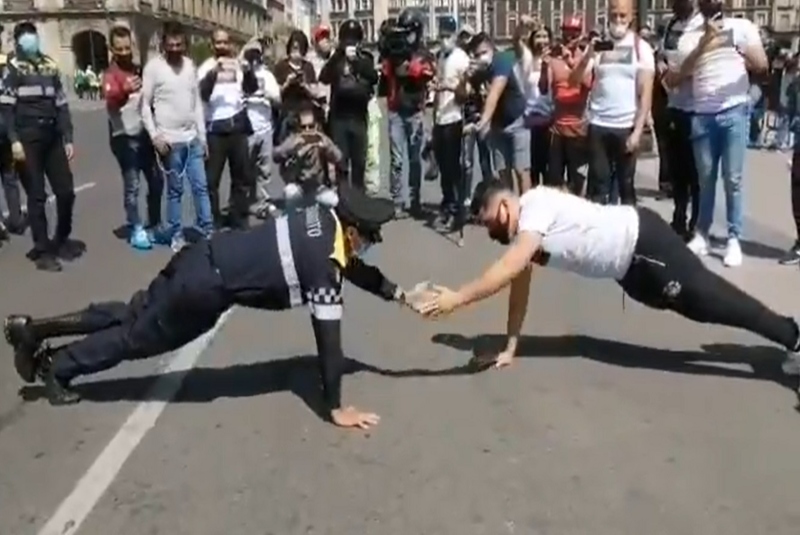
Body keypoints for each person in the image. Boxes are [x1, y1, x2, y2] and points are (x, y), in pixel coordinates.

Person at [4, 184, 417, 428]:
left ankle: (34, 329)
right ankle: (57, 367)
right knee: (136, 337)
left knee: (133, 312)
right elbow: (329, 339)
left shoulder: (322, 220)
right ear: (353, 231)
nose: (369, 245)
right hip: (203, 290)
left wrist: (399, 294)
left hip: (201, 257)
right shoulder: (323, 266)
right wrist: (336, 406)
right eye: (370, 237)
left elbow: (354, 269)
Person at [419, 180, 800, 374]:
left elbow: (506, 269)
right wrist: (511, 346)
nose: (492, 232)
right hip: (631, 272)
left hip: (645, 244)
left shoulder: (534, 206)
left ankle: (793, 337)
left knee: (715, 301)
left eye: (490, 222)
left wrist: (458, 298)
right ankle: (785, 333)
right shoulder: (528, 235)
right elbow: (517, 284)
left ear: (504, 205)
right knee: (703, 310)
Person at [0, 21, 79, 272]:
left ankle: (61, 237)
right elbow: (6, 109)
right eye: (24, 37)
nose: (29, 40)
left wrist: (68, 137)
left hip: (52, 135)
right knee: (36, 196)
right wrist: (14, 140)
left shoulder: (50, 66)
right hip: (27, 138)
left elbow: (62, 104)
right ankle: (43, 251)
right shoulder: (12, 69)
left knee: (66, 191)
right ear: (17, 42)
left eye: (31, 35)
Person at [141, 21, 213, 251]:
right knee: (175, 191)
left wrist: (202, 137)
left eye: (179, 45)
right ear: (163, 45)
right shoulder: (153, 68)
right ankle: (176, 233)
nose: (174, 49)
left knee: (201, 187)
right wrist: (155, 136)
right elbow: (145, 105)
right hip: (169, 142)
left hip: (192, 139)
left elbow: (196, 104)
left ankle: (207, 230)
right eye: (170, 45)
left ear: (184, 44)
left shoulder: (190, 66)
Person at [104, 24, 163, 250]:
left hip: (144, 133)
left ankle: (154, 223)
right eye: (119, 49)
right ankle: (136, 227)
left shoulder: (138, 69)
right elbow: (110, 99)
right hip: (124, 137)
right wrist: (124, 90)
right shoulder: (110, 74)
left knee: (156, 180)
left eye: (127, 48)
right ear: (112, 49)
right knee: (133, 185)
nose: (124, 52)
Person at [198, 29, 255, 230]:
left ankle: (237, 216)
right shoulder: (206, 67)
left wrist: (248, 72)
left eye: (225, 42)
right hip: (215, 127)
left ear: (230, 44)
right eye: (218, 43)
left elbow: (251, 89)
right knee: (211, 179)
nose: (222, 46)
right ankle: (214, 219)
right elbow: (202, 94)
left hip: (237, 124)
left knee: (241, 176)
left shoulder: (237, 64)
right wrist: (214, 73)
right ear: (212, 45)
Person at [319, 19, 378, 192]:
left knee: (359, 163)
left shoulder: (365, 58)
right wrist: (338, 54)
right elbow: (324, 77)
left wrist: (356, 62)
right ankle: (344, 200)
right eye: (347, 40)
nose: (351, 44)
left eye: (354, 40)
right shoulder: (337, 59)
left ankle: (358, 200)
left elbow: (373, 77)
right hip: (339, 117)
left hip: (358, 116)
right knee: (341, 163)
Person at [274, 102, 341, 209]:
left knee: (333, 201)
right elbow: (275, 155)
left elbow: (339, 157)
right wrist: (292, 148)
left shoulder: (322, 139)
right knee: (289, 193)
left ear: (316, 126)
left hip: (318, 188)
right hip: (299, 187)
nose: (307, 130)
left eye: (311, 126)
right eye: (303, 127)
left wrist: (327, 148)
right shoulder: (294, 139)